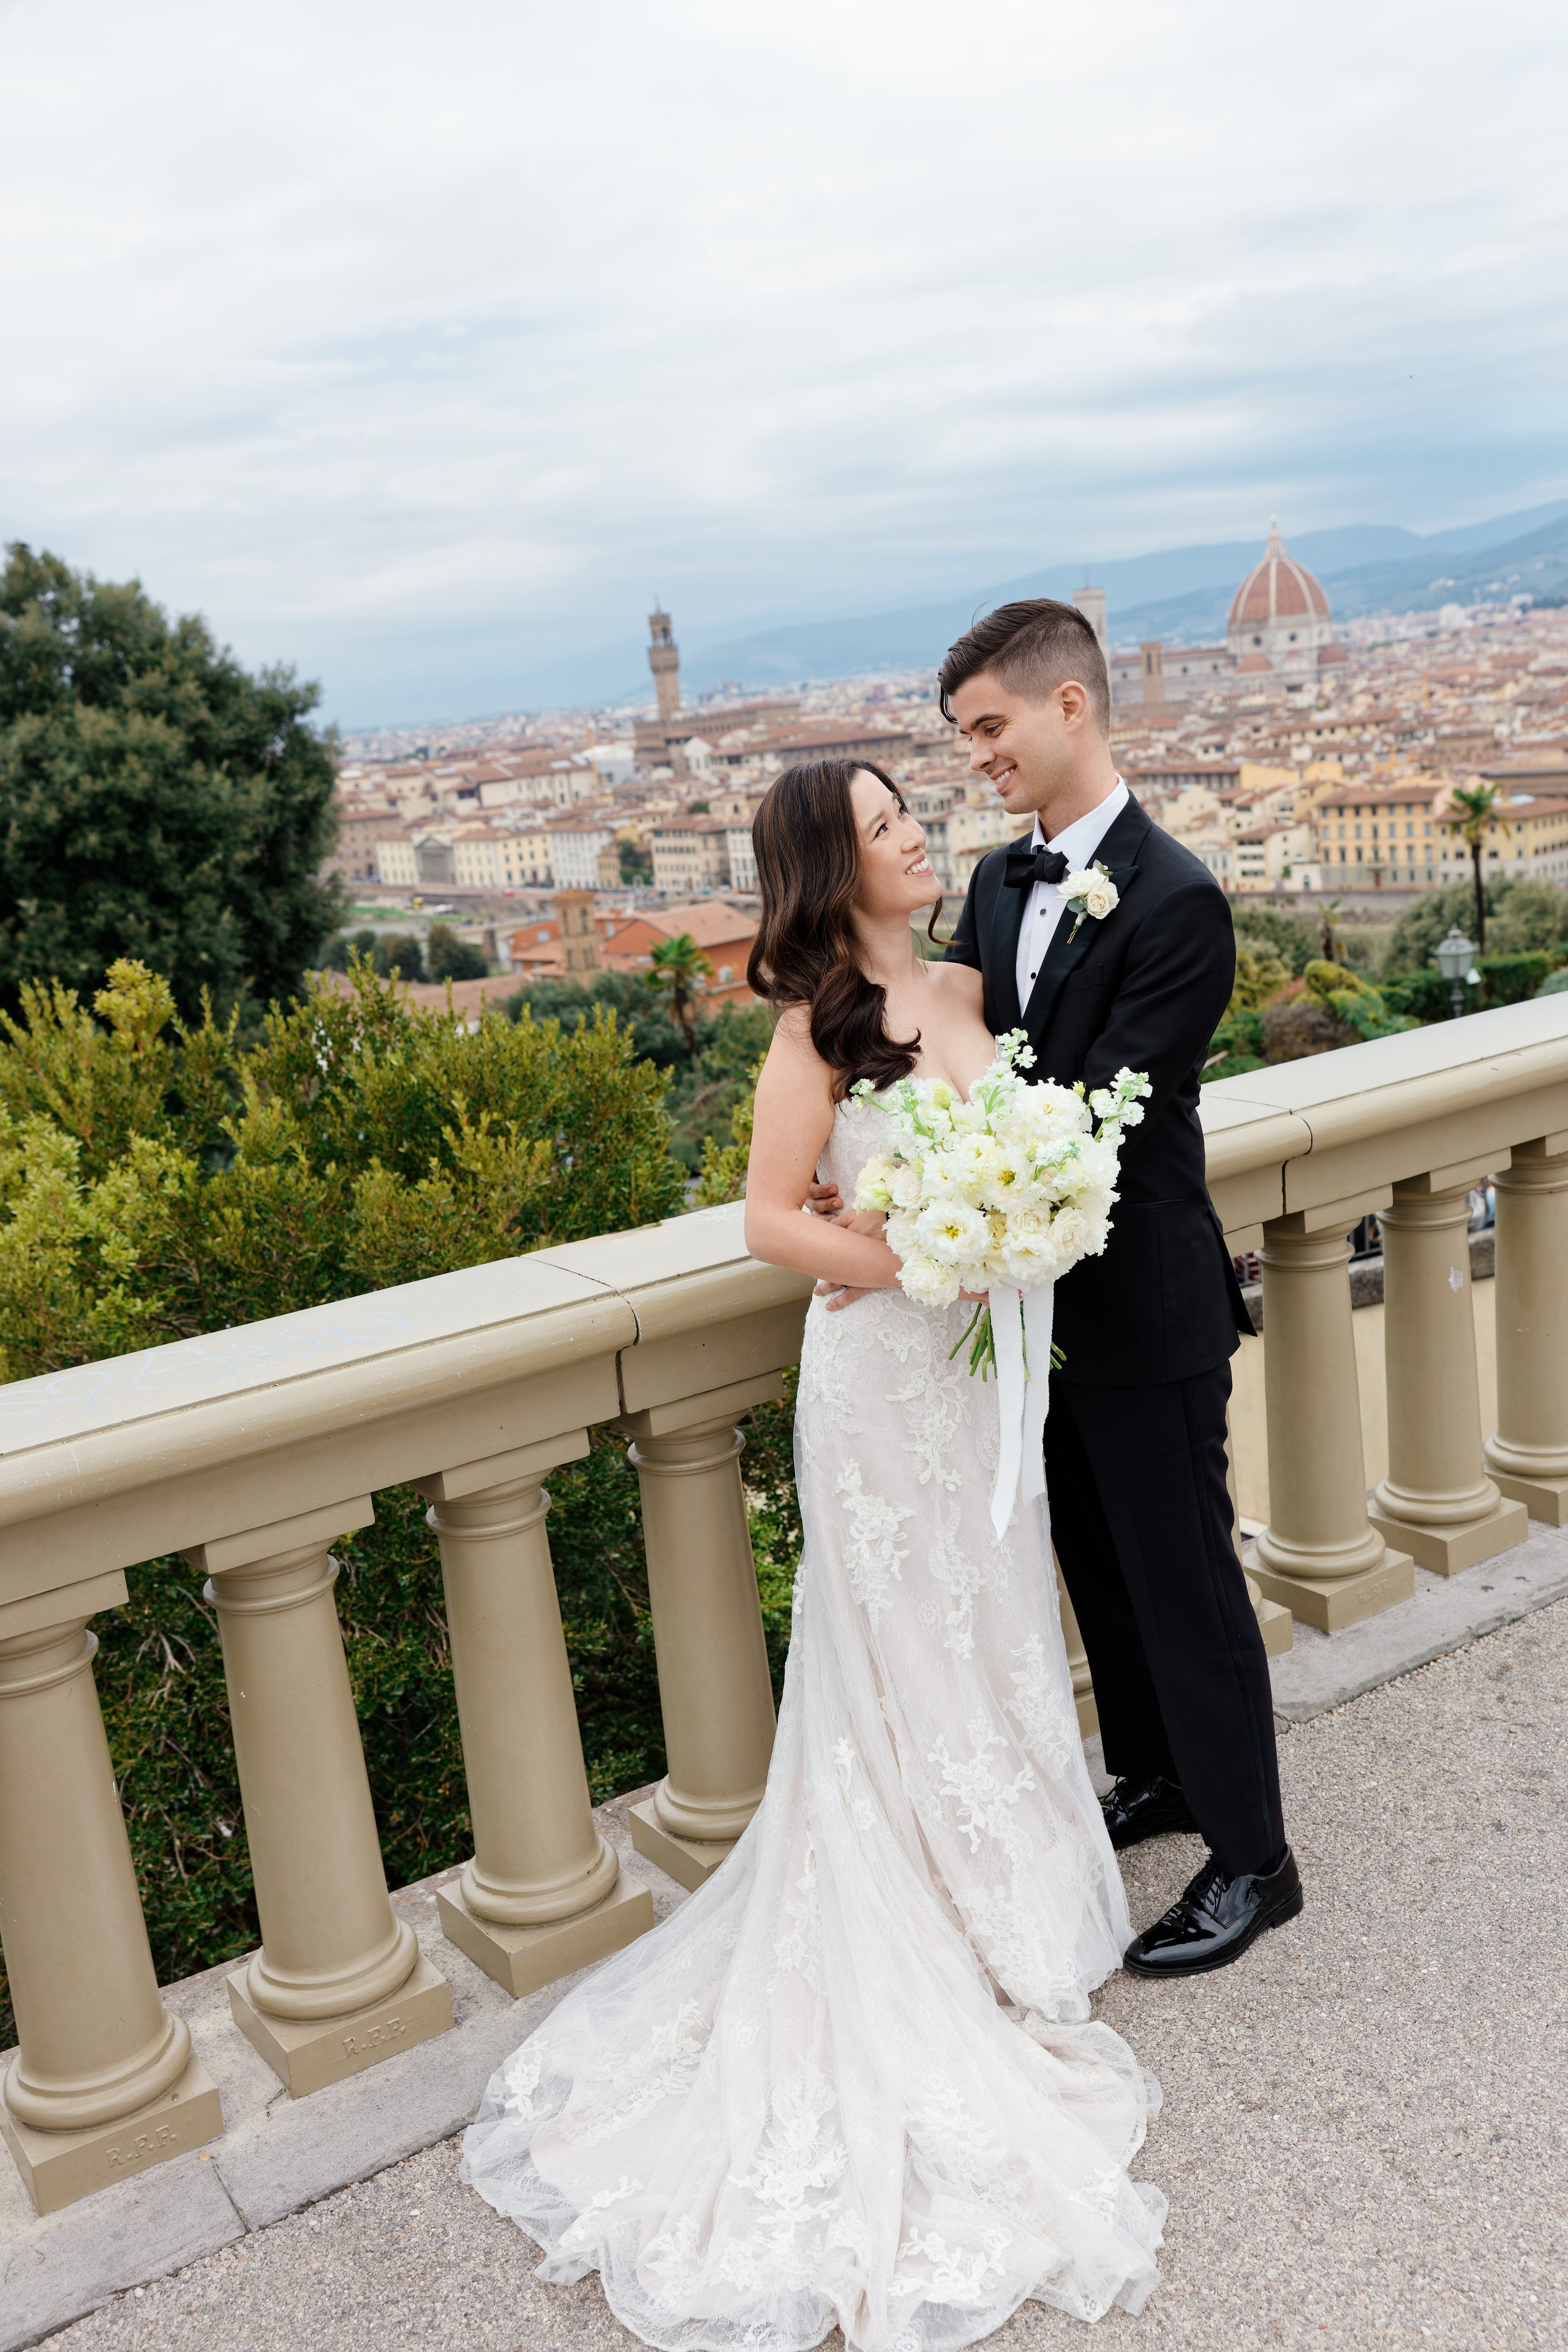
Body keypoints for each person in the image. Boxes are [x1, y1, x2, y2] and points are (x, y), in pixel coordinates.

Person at [463, 756, 1166, 2350]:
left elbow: (1031, 1142)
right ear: (829, 870)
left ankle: (1011, 1913)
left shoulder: (977, 982)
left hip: (981, 1381)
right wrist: (920, 1247)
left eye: (915, 812)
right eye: (888, 827)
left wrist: (1025, 1220)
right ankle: (932, 1934)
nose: (922, 837)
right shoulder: (816, 1030)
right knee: (900, 1660)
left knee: (992, 1634)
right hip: (880, 1397)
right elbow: (772, 1217)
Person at [933, 598, 1299, 1976]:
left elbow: (1102, 1116)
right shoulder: (990, 882)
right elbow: (950, 1049)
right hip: (1032, 1308)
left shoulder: (1175, 897)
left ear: (1067, 706)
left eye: (990, 727)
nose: (977, 756)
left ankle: (1255, 1858)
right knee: (1092, 1561)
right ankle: (1150, 1777)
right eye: (964, 736)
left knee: (1182, 1579)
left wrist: (946, 1183)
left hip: (1138, 1299)